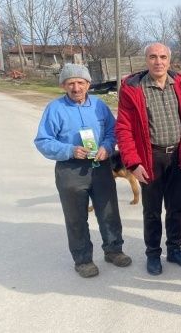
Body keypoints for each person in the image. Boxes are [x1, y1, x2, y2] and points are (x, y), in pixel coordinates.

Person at [34, 63, 132, 278]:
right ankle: (83, 259)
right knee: (76, 217)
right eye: (71, 83)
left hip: (101, 167)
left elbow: (112, 131)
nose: (76, 88)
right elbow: (43, 140)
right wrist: (69, 150)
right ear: (63, 86)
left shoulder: (99, 106)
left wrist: (107, 147)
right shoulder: (55, 108)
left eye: (80, 82)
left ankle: (114, 250)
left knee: (109, 212)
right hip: (70, 169)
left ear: (88, 84)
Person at [115, 42, 181, 276]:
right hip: (151, 157)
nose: (158, 61)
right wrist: (133, 163)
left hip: (177, 156)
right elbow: (124, 129)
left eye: (162, 57)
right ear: (146, 60)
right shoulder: (133, 88)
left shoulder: (180, 83)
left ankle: (174, 250)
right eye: (153, 57)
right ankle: (153, 253)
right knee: (152, 210)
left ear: (169, 60)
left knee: (176, 208)